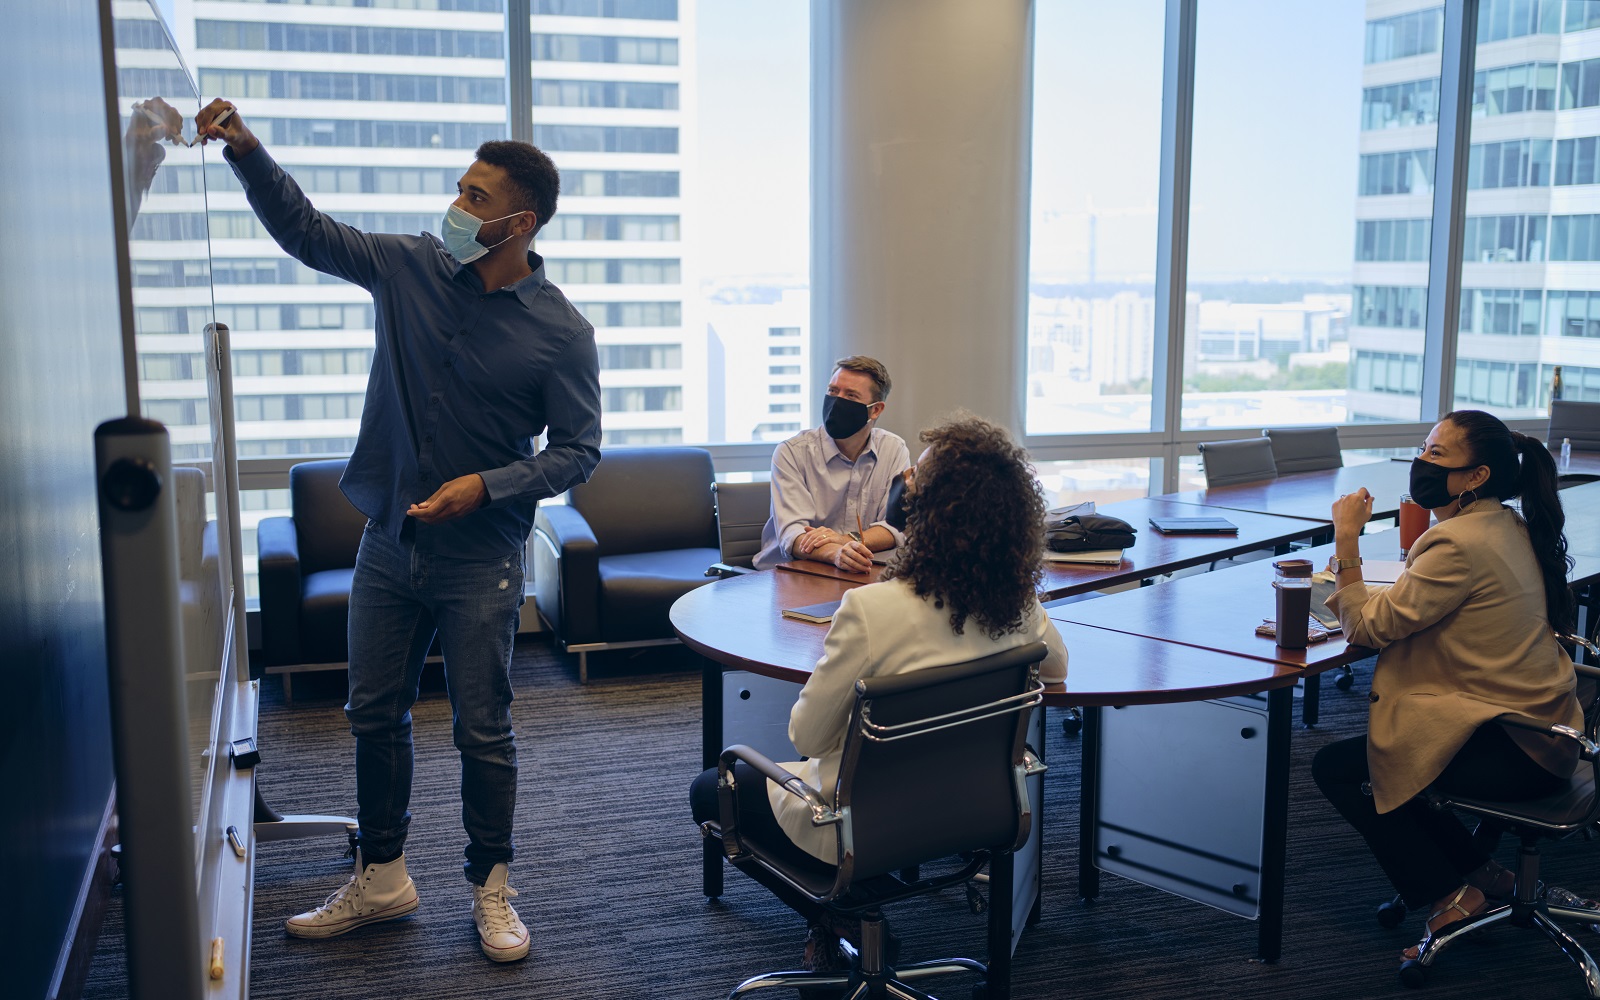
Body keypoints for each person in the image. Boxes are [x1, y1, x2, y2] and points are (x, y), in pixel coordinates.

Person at [196, 100, 602, 962]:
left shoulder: (562, 332)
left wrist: (487, 487)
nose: (456, 205)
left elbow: (579, 451)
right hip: (387, 545)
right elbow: (309, 233)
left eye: (475, 194)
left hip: (480, 558)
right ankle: (383, 874)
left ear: (517, 222)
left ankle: (492, 886)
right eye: (459, 187)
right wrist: (247, 153)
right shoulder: (409, 267)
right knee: (373, 714)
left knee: (481, 730)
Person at [691, 415, 1068, 969]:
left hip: (863, 824)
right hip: (976, 811)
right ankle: (862, 908)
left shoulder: (873, 610)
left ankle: (844, 914)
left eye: (918, 476)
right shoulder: (1018, 606)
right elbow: (1055, 665)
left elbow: (809, 736)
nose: (905, 478)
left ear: (930, 513)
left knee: (712, 787)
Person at [1312, 409, 1582, 969]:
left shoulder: (1456, 544)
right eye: (1424, 447)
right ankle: (1484, 872)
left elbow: (1365, 628)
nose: (1421, 462)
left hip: (1518, 745)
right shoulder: (1506, 524)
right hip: (1545, 727)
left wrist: (1346, 538)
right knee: (1392, 759)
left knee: (1351, 768)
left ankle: (1452, 897)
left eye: (1437, 454)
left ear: (1476, 475)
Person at [752, 356, 911, 573]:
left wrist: (843, 540)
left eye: (851, 395)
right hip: (786, 574)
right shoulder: (792, 452)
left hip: (856, 574)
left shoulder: (893, 449)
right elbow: (794, 536)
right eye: (833, 391)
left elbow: (896, 527)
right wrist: (836, 553)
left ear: (875, 410)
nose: (837, 401)